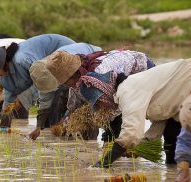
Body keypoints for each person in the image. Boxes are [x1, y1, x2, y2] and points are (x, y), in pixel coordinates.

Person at [31, 50, 181, 164]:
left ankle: (168, 157)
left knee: (154, 111)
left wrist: (112, 146)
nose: (64, 84)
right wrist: (65, 120)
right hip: (120, 77)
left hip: (141, 68)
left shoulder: (99, 77)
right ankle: (126, 147)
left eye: (65, 81)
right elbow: (74, 103)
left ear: (73, 74)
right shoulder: (79, 80)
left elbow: (116, 106)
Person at [0, 34, 101, 139]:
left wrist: (23, 100)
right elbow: (16, 94)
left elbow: (41, 85)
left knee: (71, 100)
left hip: (68, 55)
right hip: (49, 65)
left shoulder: (25, 60)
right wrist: (5, 126)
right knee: (57, 101)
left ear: (1, 64)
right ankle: (58, 131)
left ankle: (84, 138)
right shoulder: (9, 75)